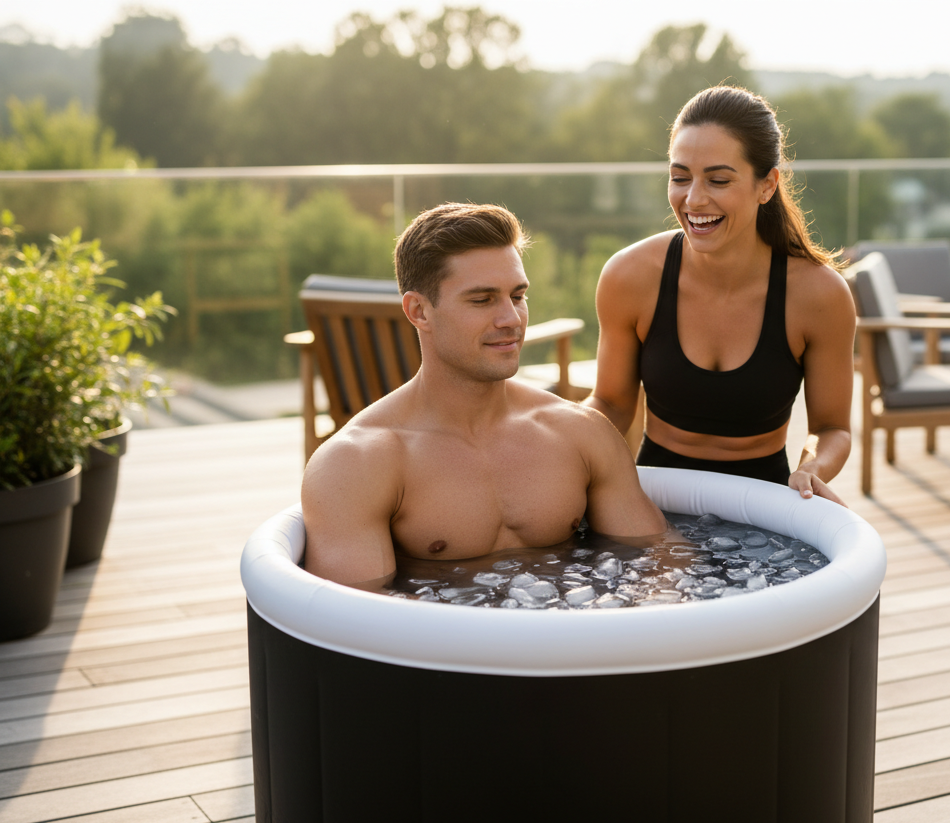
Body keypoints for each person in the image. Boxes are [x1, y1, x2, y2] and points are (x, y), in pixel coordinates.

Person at [301, 202, 668, 589]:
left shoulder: (578, 433)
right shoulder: (357, 465)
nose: (511, 319)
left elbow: (662, 568)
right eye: (482, 300)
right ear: (419, 311)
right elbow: (361, 622)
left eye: (518, 296)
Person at [585, 86, 856, 505]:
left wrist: (811, 468)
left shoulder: (819, 295)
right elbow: (611, 403)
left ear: (766, 185)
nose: (693, 199)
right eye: (679, 178)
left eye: (718, 180)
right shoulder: (630, 275)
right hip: (654, 493)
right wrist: (558, 444)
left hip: (764, 497)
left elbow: (832, 427)